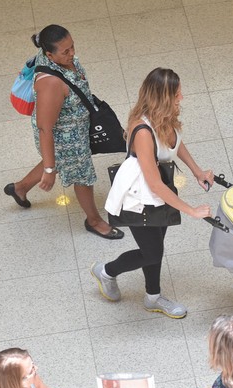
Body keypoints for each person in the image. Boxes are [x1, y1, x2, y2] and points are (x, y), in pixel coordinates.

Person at [91, 67, 213, 318]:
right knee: (152, 251)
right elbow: (154, 183)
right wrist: (190, 210)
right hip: (140, 199)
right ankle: (106, 271)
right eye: (177, 94)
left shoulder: (166, 118)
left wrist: (197, 171)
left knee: (154, 247)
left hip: (160, 194)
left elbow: (175, 144)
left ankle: (152, 297)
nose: (181, 98)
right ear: (163, 97)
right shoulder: (143, 131)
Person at [4, 24, 123, 240]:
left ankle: (20, 188)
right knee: (83, 177)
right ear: (49, 54)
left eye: (72, 47)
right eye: (65, 51)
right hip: (65, 139)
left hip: (73, 130)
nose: (72, 53)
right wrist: (49, 169)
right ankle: (94, 221)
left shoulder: (56, 58)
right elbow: (45, 127)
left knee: (58, 162)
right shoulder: (50, 83)